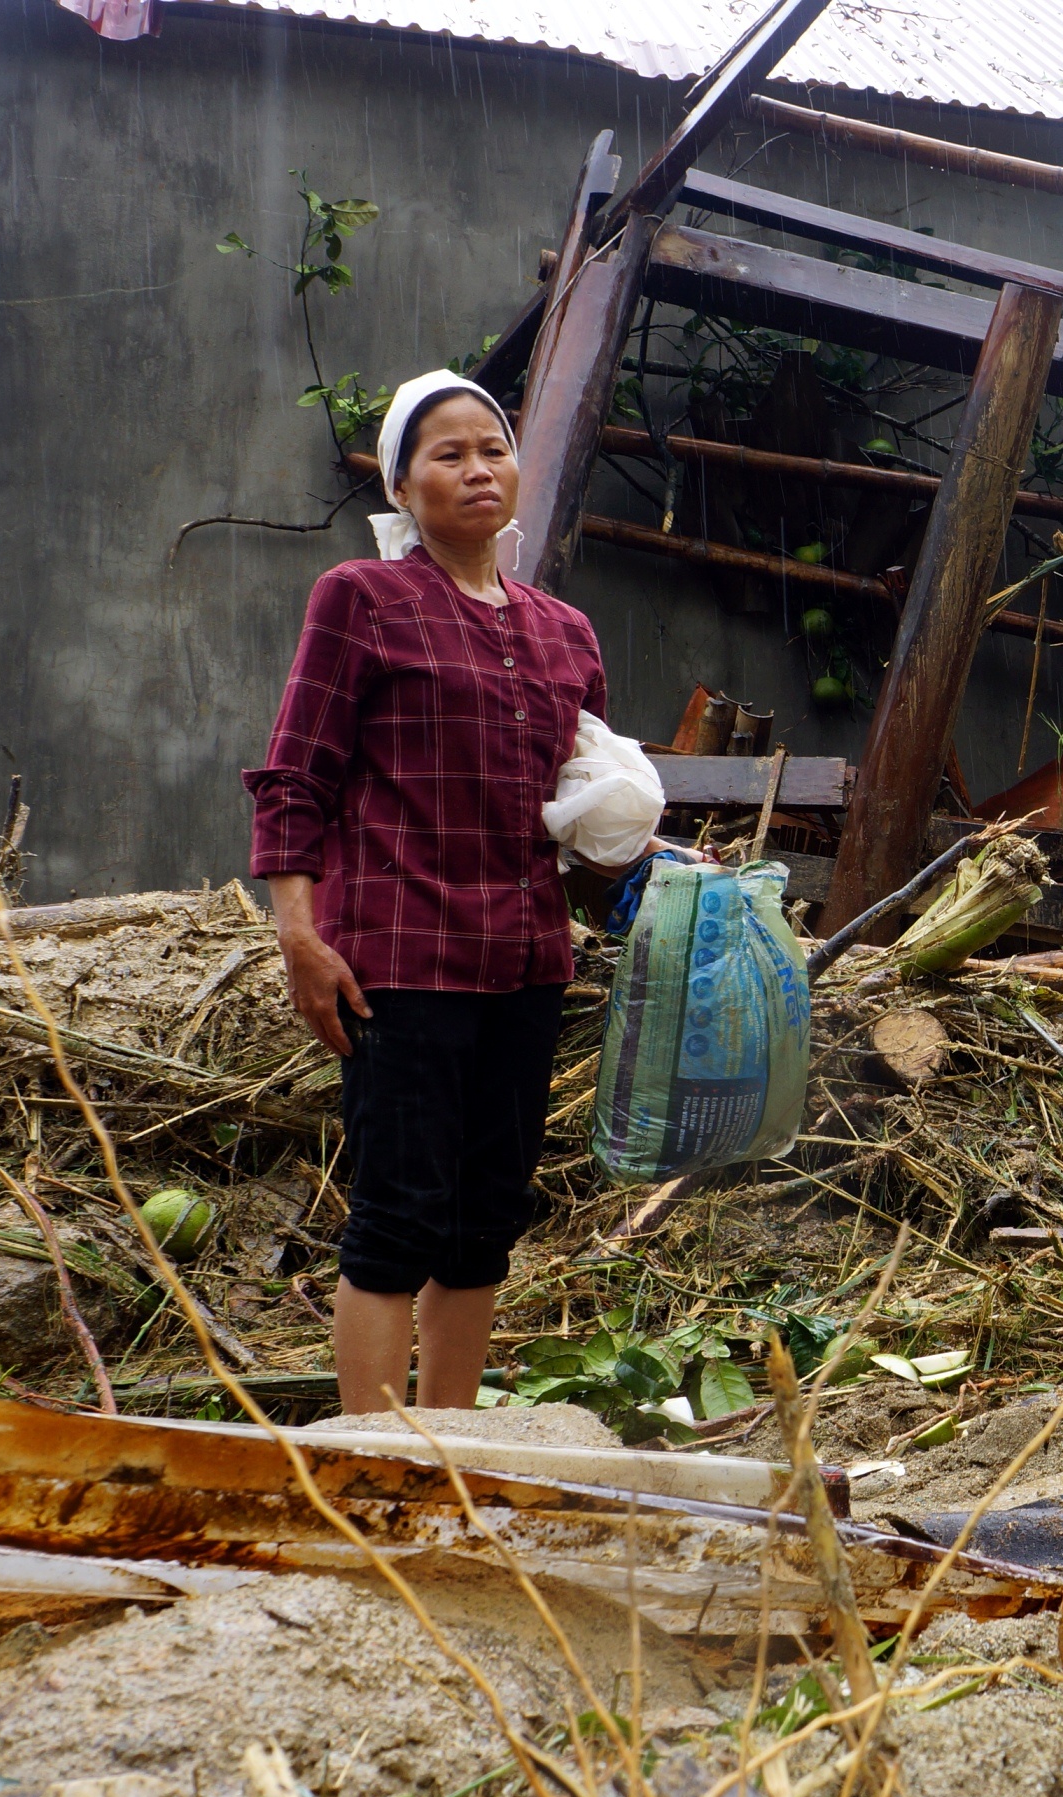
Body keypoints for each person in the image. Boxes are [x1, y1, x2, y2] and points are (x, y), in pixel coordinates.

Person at [243, 368, 672, 1413]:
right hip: (400, 955)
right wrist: (297, 935)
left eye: (493, 448)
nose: (478, 469)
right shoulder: (361, 600)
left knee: (485, 1219)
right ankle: (375, 1466)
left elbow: (572, 811)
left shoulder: (564, 631)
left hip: (525, 961)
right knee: (397, 1217)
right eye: (448, 453)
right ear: (401, 486)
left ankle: (453, 1453)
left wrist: (653, 859)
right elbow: (297, 774)